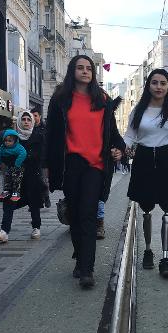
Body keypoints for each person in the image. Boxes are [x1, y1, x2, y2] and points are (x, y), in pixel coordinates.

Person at [45, 55, 125, 288]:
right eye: (80, 68)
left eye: (88, 68)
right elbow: (51, 134)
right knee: (76, 216)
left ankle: (87, 269)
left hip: (95, 165)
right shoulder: (61, 98)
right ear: (73, 71)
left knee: (89, 214)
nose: (85, 71)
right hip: (71, 163)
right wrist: (47, 166)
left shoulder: (102, 99)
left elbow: (113, 134)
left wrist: (118, 149)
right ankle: (80, 259)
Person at [124, 69, 168, 278]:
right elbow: (129, 135)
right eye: (155, 83)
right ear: (148, 85)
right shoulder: (138, 110)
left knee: (167, 208)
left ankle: (165, 257)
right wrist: (118, 149)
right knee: (146, 207)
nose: (159, 87)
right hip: (144, 159)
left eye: (163, 83)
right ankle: (148, 250)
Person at [0, 111, 46, 243]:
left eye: (29, 119)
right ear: (19, 122)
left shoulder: (38, 136)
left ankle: (36, 227)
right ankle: (4, 231)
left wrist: (23, 157)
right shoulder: (13, 137)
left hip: (32, 176)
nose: (26, 121)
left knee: (34, 202)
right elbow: (4, 154)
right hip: (15, 177)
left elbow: (40, 156)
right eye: (24, 119)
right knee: (8, 201)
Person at [0, 129, 27, 202]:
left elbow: (23, 153)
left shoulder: (18, 147)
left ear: (15, 141)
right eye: (6, 141)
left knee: (16, 179)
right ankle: (6, 191)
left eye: (10, 141)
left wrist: (17, 163)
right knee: (6, 178)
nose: (7, 143)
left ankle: (16, 192)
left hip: (17, 167)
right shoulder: (2, 147)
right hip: (7, 166)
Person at [31, 106, 51, 208]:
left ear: (40, 116)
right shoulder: (29, 129)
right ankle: (38, 200)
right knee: (35, 180)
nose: (34, 118)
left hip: (43, 159)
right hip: (32, 159)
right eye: (32, 116)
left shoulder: (46, 128)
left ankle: (46, 197)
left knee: (43, 180)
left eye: (35, 116)